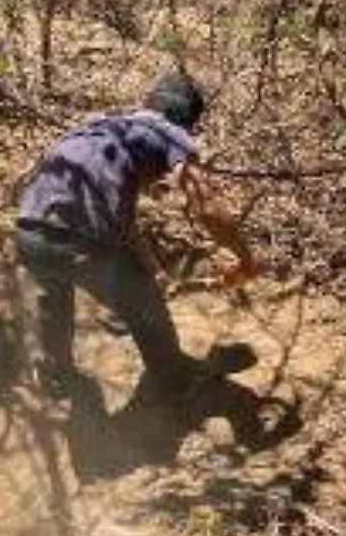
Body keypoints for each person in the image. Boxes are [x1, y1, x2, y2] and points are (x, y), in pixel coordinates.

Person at [14, 70, 259, 405]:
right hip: (83, 237)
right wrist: (246, 258)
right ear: (186, 121)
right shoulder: (167, 132)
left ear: (149, 100)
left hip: (30, 225)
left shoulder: (104, 126)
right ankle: (174, 381)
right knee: (146, 307)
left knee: (53, 291)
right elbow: (207, 207)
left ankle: (57, 376)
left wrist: (155, 270)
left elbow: (124, 222)